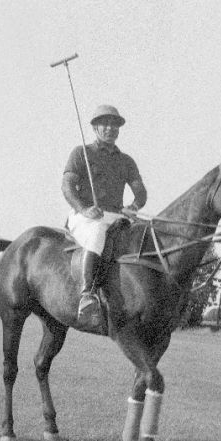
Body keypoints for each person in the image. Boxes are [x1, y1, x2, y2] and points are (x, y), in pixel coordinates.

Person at [62, 104, 147, 323]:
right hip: (86, 217)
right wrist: (84, 208)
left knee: (143, 236)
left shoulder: (126, 161)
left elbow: (140, 192)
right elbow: (67, 187)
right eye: (105, 124)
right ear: (95, 127)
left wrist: (134, 207)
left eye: (115, 124)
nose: (110, 128)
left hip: (115, 217)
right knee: (99, 230)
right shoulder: (81, 153)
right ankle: (87, 295)